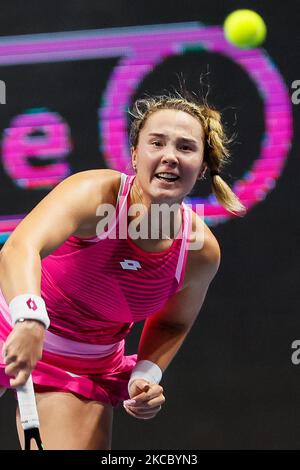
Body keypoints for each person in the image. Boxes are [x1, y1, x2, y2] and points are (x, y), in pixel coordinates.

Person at [0, 93, 245, 450]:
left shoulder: (200, 251)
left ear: (203, 166)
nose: (170, 157)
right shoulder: (94, 193)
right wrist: (30, 319)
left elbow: (173, 323)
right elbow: (21, 248)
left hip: (83, 368)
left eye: (186, 148)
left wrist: (145, 374)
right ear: (135, 154)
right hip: (10, 319)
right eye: (156, 143)